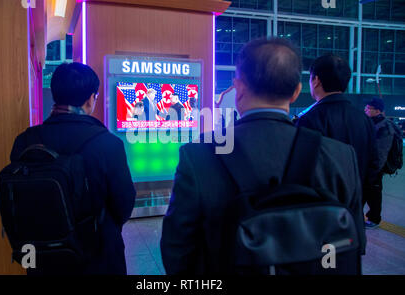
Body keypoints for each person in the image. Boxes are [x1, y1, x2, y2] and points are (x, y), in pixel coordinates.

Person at [160, 38, 366, 274]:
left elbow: (177, 249)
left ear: (239, 88)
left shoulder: (198, 155)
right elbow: (354, 242)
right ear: (296, 92)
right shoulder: (340, 156)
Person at [10, 63, 136, 274]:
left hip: (41, 255)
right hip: (97, 254)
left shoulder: (25, 141)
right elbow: (123, 203)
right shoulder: (107, 144)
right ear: (90, 99)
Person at [295, 54, 380, 211]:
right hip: (354, 207)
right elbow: (374, 164)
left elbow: (302, 170)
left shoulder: (310, 120)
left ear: (316, 80)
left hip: (321, 211)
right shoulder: (364, 120)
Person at [363, 97, 394, 228]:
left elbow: (381, 152)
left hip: (375, 168)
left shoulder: (384, 127)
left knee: (374, 195)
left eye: (368, 108)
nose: (365, 110)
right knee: (363, 193)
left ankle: (374, 219)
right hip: (366, 166)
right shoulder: (371, 123)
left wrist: (374, 170)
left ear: (378, 111)